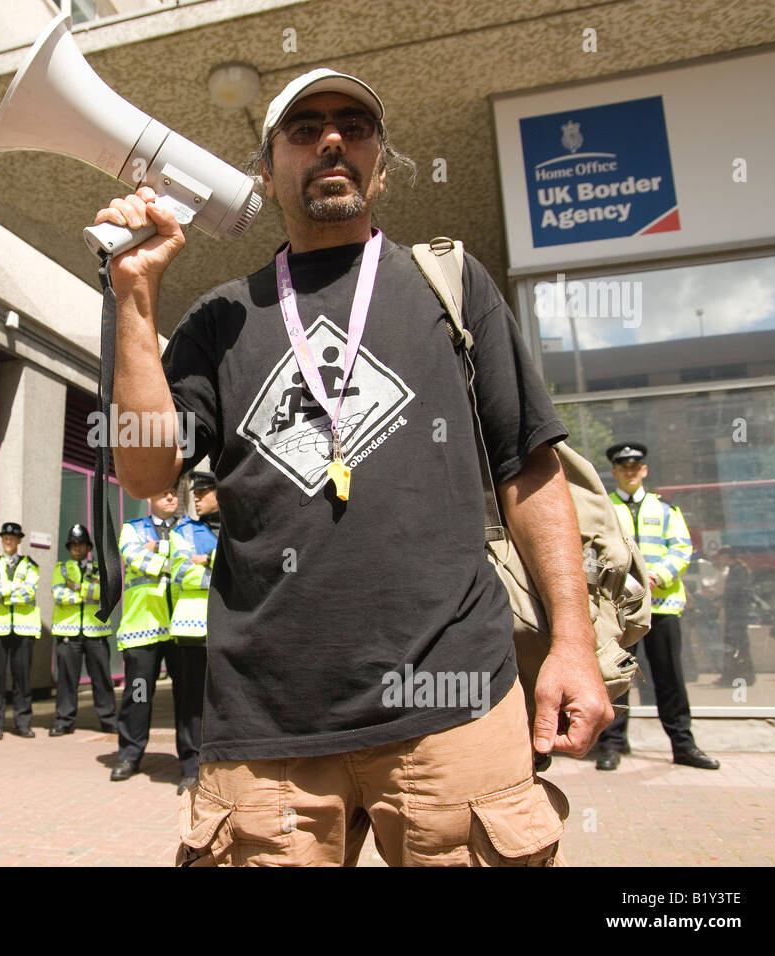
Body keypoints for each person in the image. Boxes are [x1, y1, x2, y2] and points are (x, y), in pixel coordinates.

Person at [97, 68, 611, 866]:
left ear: (381, 163)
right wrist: (133, 295)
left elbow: (528, 471)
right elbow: (144, 474)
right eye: (303, 130)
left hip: (455, 704)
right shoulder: (220, 318)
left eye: (355, 127)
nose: (332, 139)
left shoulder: (451, 285)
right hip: (266, 728)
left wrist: (572, 644)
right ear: (265, 172)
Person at [594, 443, 719, 771]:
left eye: (635, 466)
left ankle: (683, 744)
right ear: (616, 471)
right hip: (619, 610)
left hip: (661, 606)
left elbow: (681, 548)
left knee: (670, 678)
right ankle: (611, 745)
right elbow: (593, 552)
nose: (630, 471)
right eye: (623, 467)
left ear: (644, 470)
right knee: (617, 678)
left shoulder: (666, 508)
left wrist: (656, 575)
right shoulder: (604, 508)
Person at [109, 486, 197, 782]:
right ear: (150, 498)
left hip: (182, 626)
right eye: (164, 493)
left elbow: (195, 562)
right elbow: (134, 557)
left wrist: (156, 549)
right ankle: (129, 756)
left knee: (188, 695)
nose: (171, 498)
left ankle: (191, 763)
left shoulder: (192, 529)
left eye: (175, 493)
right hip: (141, 627)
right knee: (138, 694)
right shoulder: (131, 529)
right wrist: (178, 558)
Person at [169, 472, 218, 794]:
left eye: (203, 492)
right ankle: (190, 764)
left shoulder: (238, 529)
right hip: (191, 627)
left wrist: (211, 559)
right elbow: (181, 572)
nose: (196, 498)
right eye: (194, 492)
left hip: (229, 628)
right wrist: (219, 573)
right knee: (190, 700)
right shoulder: (183, 531)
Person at [49, 523, 116, 737]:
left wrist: (78, 588)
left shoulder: (99, 568)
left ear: (89, 547)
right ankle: (64, 720)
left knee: (102, 678)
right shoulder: (60, 568)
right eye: (74, 544)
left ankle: (108, 719)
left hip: (95, 632)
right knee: (67, 680)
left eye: (82, 544)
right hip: (68, 632)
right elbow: (59, 595)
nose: (78, 548)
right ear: (69, 547)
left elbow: (103, 593)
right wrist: (87, 593)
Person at [0, 522, 40, 739]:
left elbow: (29, 593)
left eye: (12, 538)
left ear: (19, 541)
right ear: (1, 539)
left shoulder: (31, 565)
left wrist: (5, 591)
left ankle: (23, 723)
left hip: (24, 628)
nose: (8, 541)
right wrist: (16, 587)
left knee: (22, 678)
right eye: (5, 537)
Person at [712, 547, 755, 687]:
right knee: (737, 645)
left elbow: (736, 592)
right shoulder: (737, 569)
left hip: (736, 615)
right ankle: (738, 676)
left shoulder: (738, 570)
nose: (718, 559)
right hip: (736, 614)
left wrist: (721, 599)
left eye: (720, 556)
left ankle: (736, 677)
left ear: (727, 556)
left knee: (734, 646)